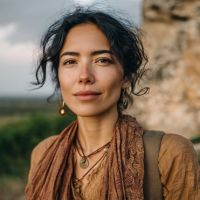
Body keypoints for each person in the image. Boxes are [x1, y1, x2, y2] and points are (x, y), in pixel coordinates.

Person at [25, 8, 199, 200]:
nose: (84, 76)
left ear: (126, 77)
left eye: (102, 60)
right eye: (70, 61)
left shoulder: (168, 153)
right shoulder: (44, 153)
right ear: (58, 76)